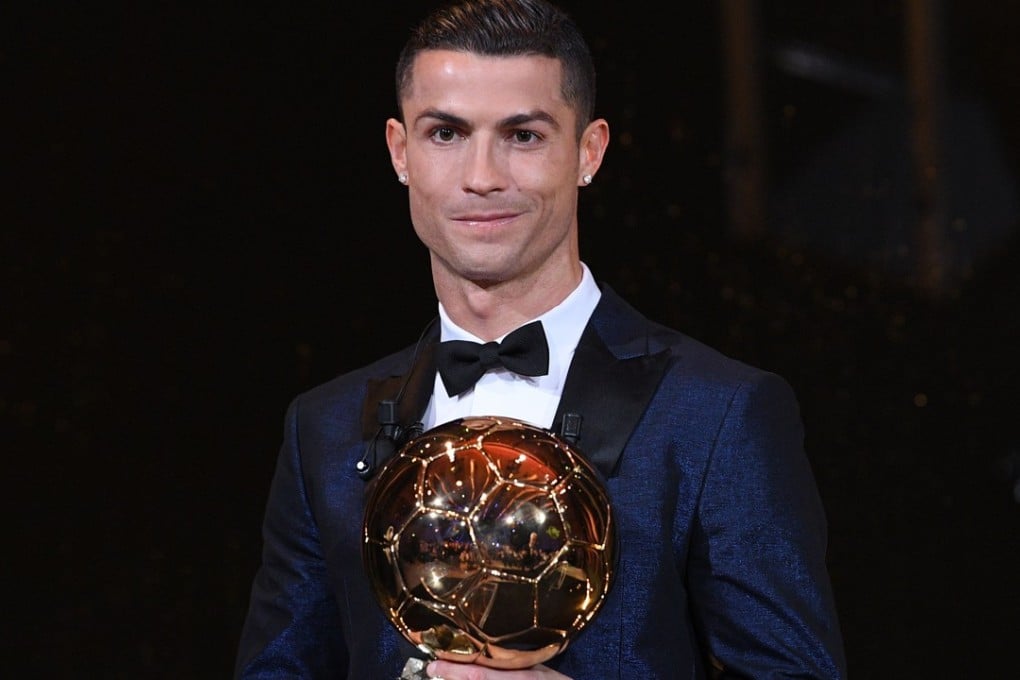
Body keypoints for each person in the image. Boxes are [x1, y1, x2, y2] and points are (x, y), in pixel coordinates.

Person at [235, 0, 847, 678]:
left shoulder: (718, 415)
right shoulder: (322, 430)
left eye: (523, 135)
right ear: (400, 152)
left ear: (589, 152)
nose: (482, 176)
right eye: (446, 133)